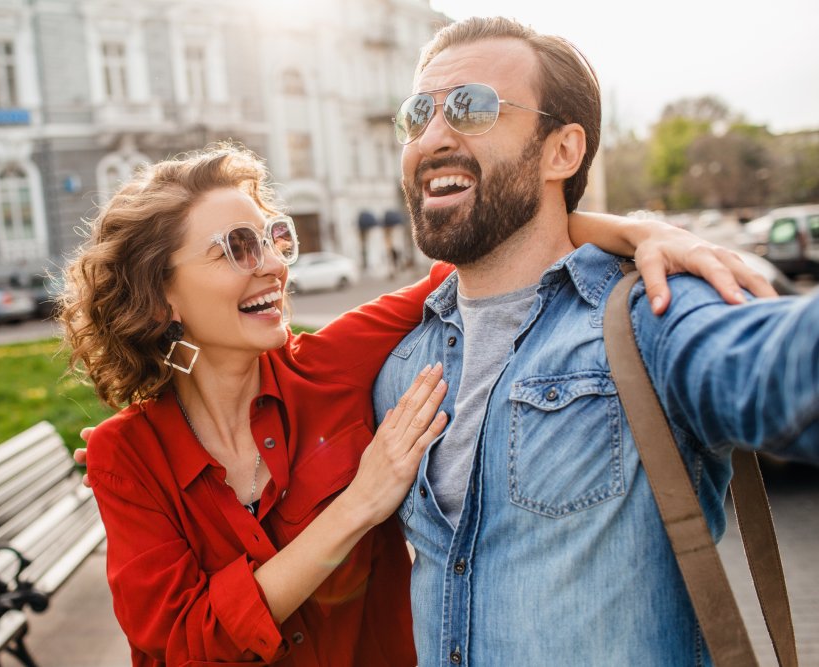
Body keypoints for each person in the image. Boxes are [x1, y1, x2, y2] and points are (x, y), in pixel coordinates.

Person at [62, 145, 774, 667]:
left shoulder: (330, 364)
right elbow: (186, 641)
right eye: (236, 247)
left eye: (276, 237)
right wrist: (358, 504)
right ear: (162, 296)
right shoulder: (127, 455)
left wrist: (649, 234)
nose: (274, 264)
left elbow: (493, 252)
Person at [372, 16, 819, 666]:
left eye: (470, 108)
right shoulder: (397, 365)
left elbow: (780, 367)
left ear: (562, 150)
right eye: (418, 114)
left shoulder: (651, 316)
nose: (433, 136)